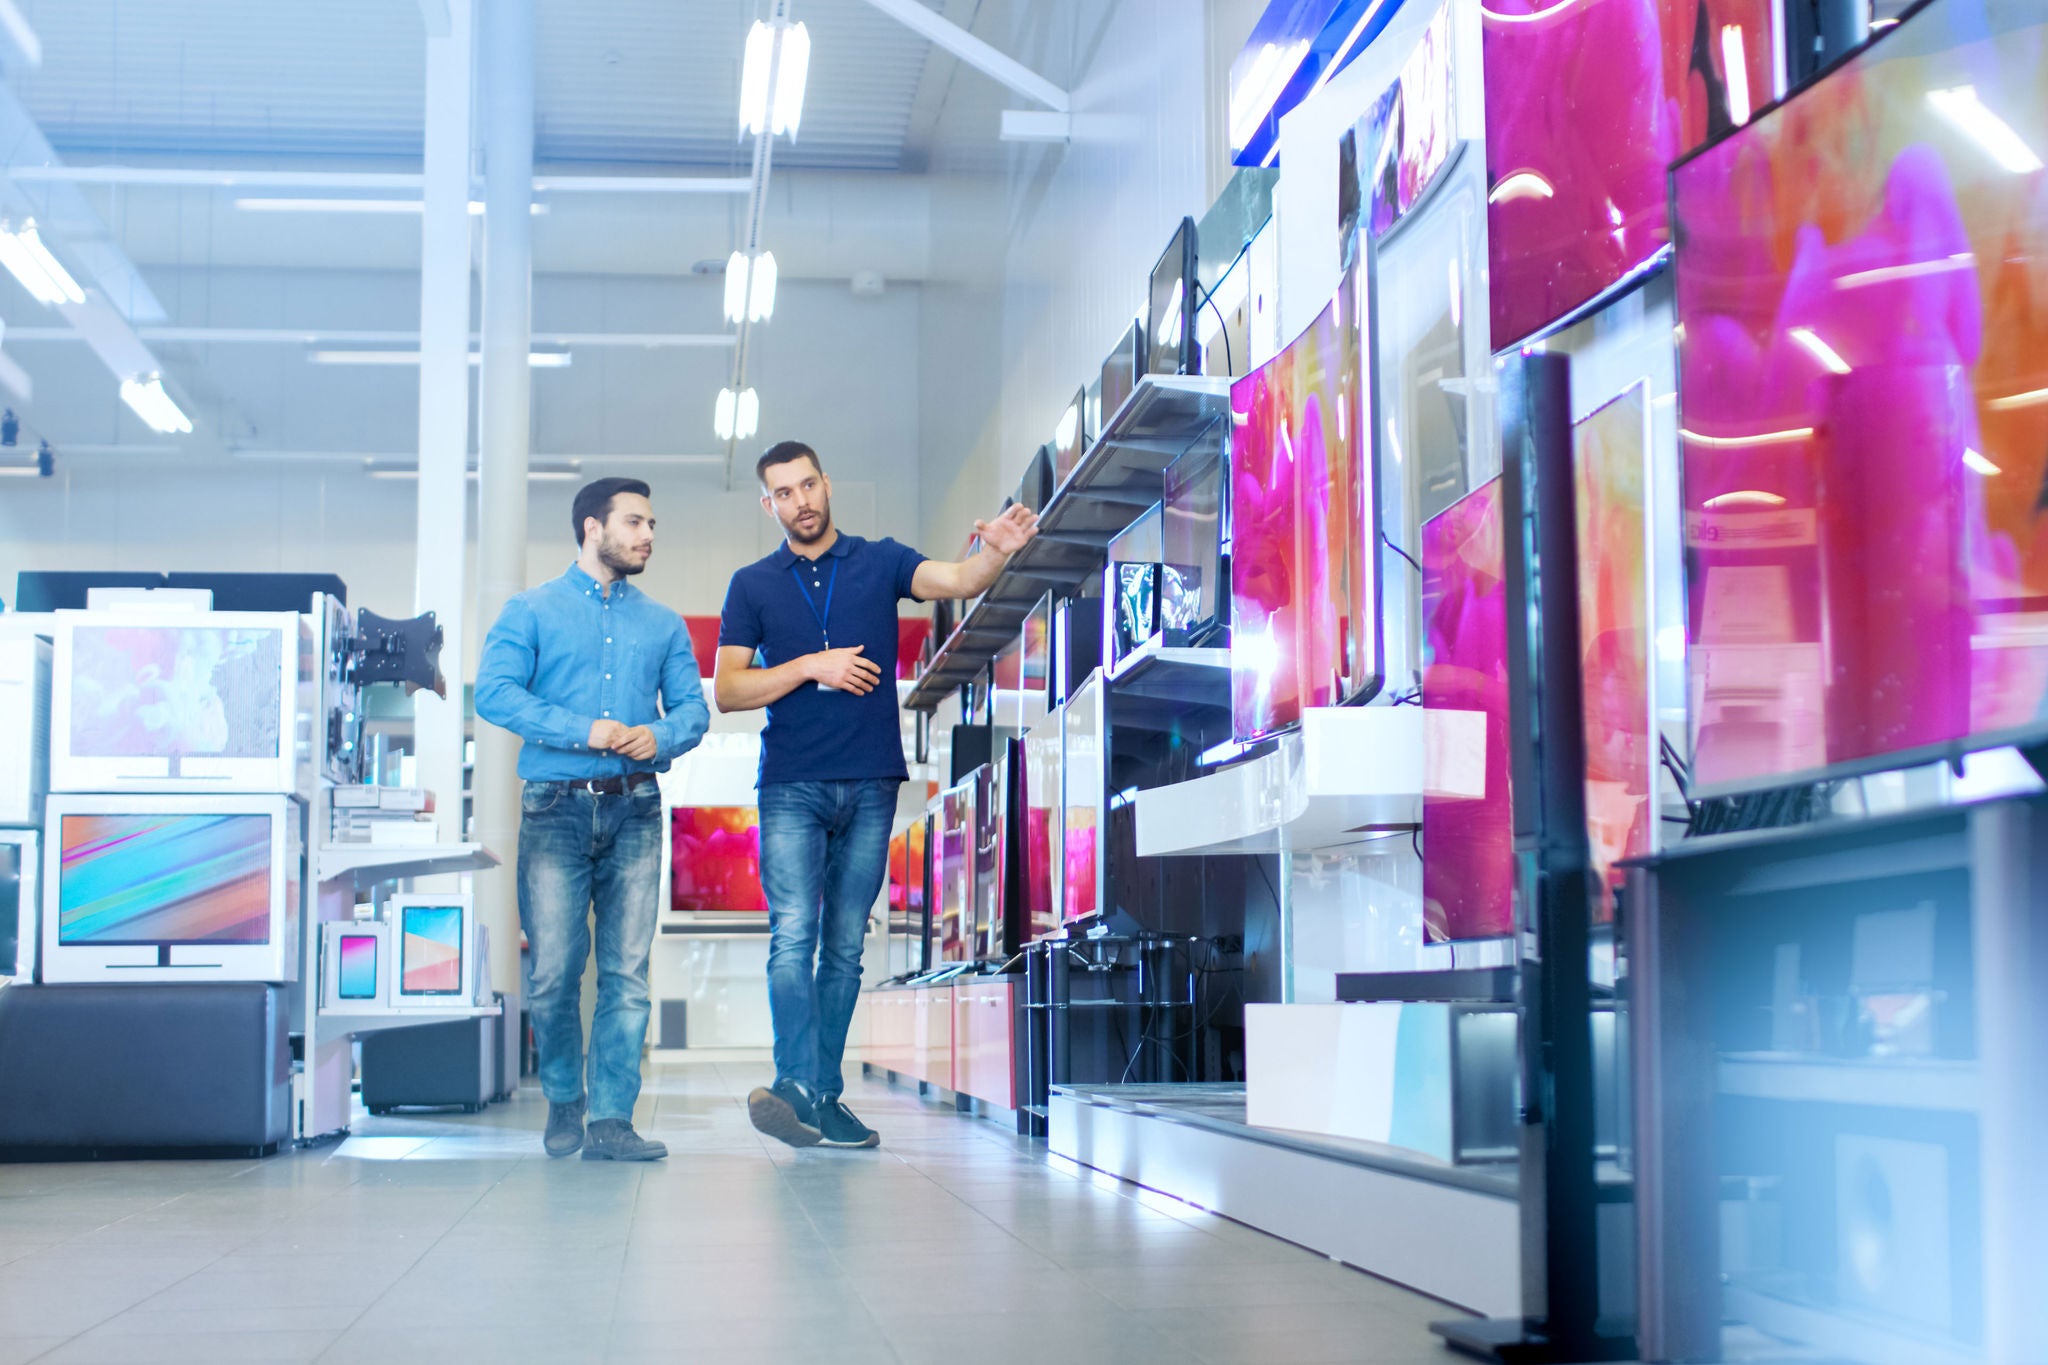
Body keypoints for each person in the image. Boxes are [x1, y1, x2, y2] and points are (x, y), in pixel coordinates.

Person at [716, 441, 1037, 1148]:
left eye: (808, 485)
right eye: (783, 492)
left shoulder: (880, 559)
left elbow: (956, 577)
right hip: (792, 784)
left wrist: (998, 553)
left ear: (827, 485)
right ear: (768, 504)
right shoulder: (753, 584)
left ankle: (818, 1095)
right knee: (793, 934)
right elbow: (730, 688)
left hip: (870, 781)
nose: (800, 501)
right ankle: (797, 1082)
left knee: (843, 949)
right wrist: (809, 667)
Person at [475, 477, 709, 1162]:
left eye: (653, 524)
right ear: (591, 526)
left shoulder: (663, 623)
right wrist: (589, 730)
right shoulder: (530, 611)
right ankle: (563, 1099)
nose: (648, 536)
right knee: (551, 971)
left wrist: (657, 737)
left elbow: (693, 712)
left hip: (637, 808)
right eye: (634, 522)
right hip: (554, 809)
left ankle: (610, 1118)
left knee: (626, 973)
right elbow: (495, 694)